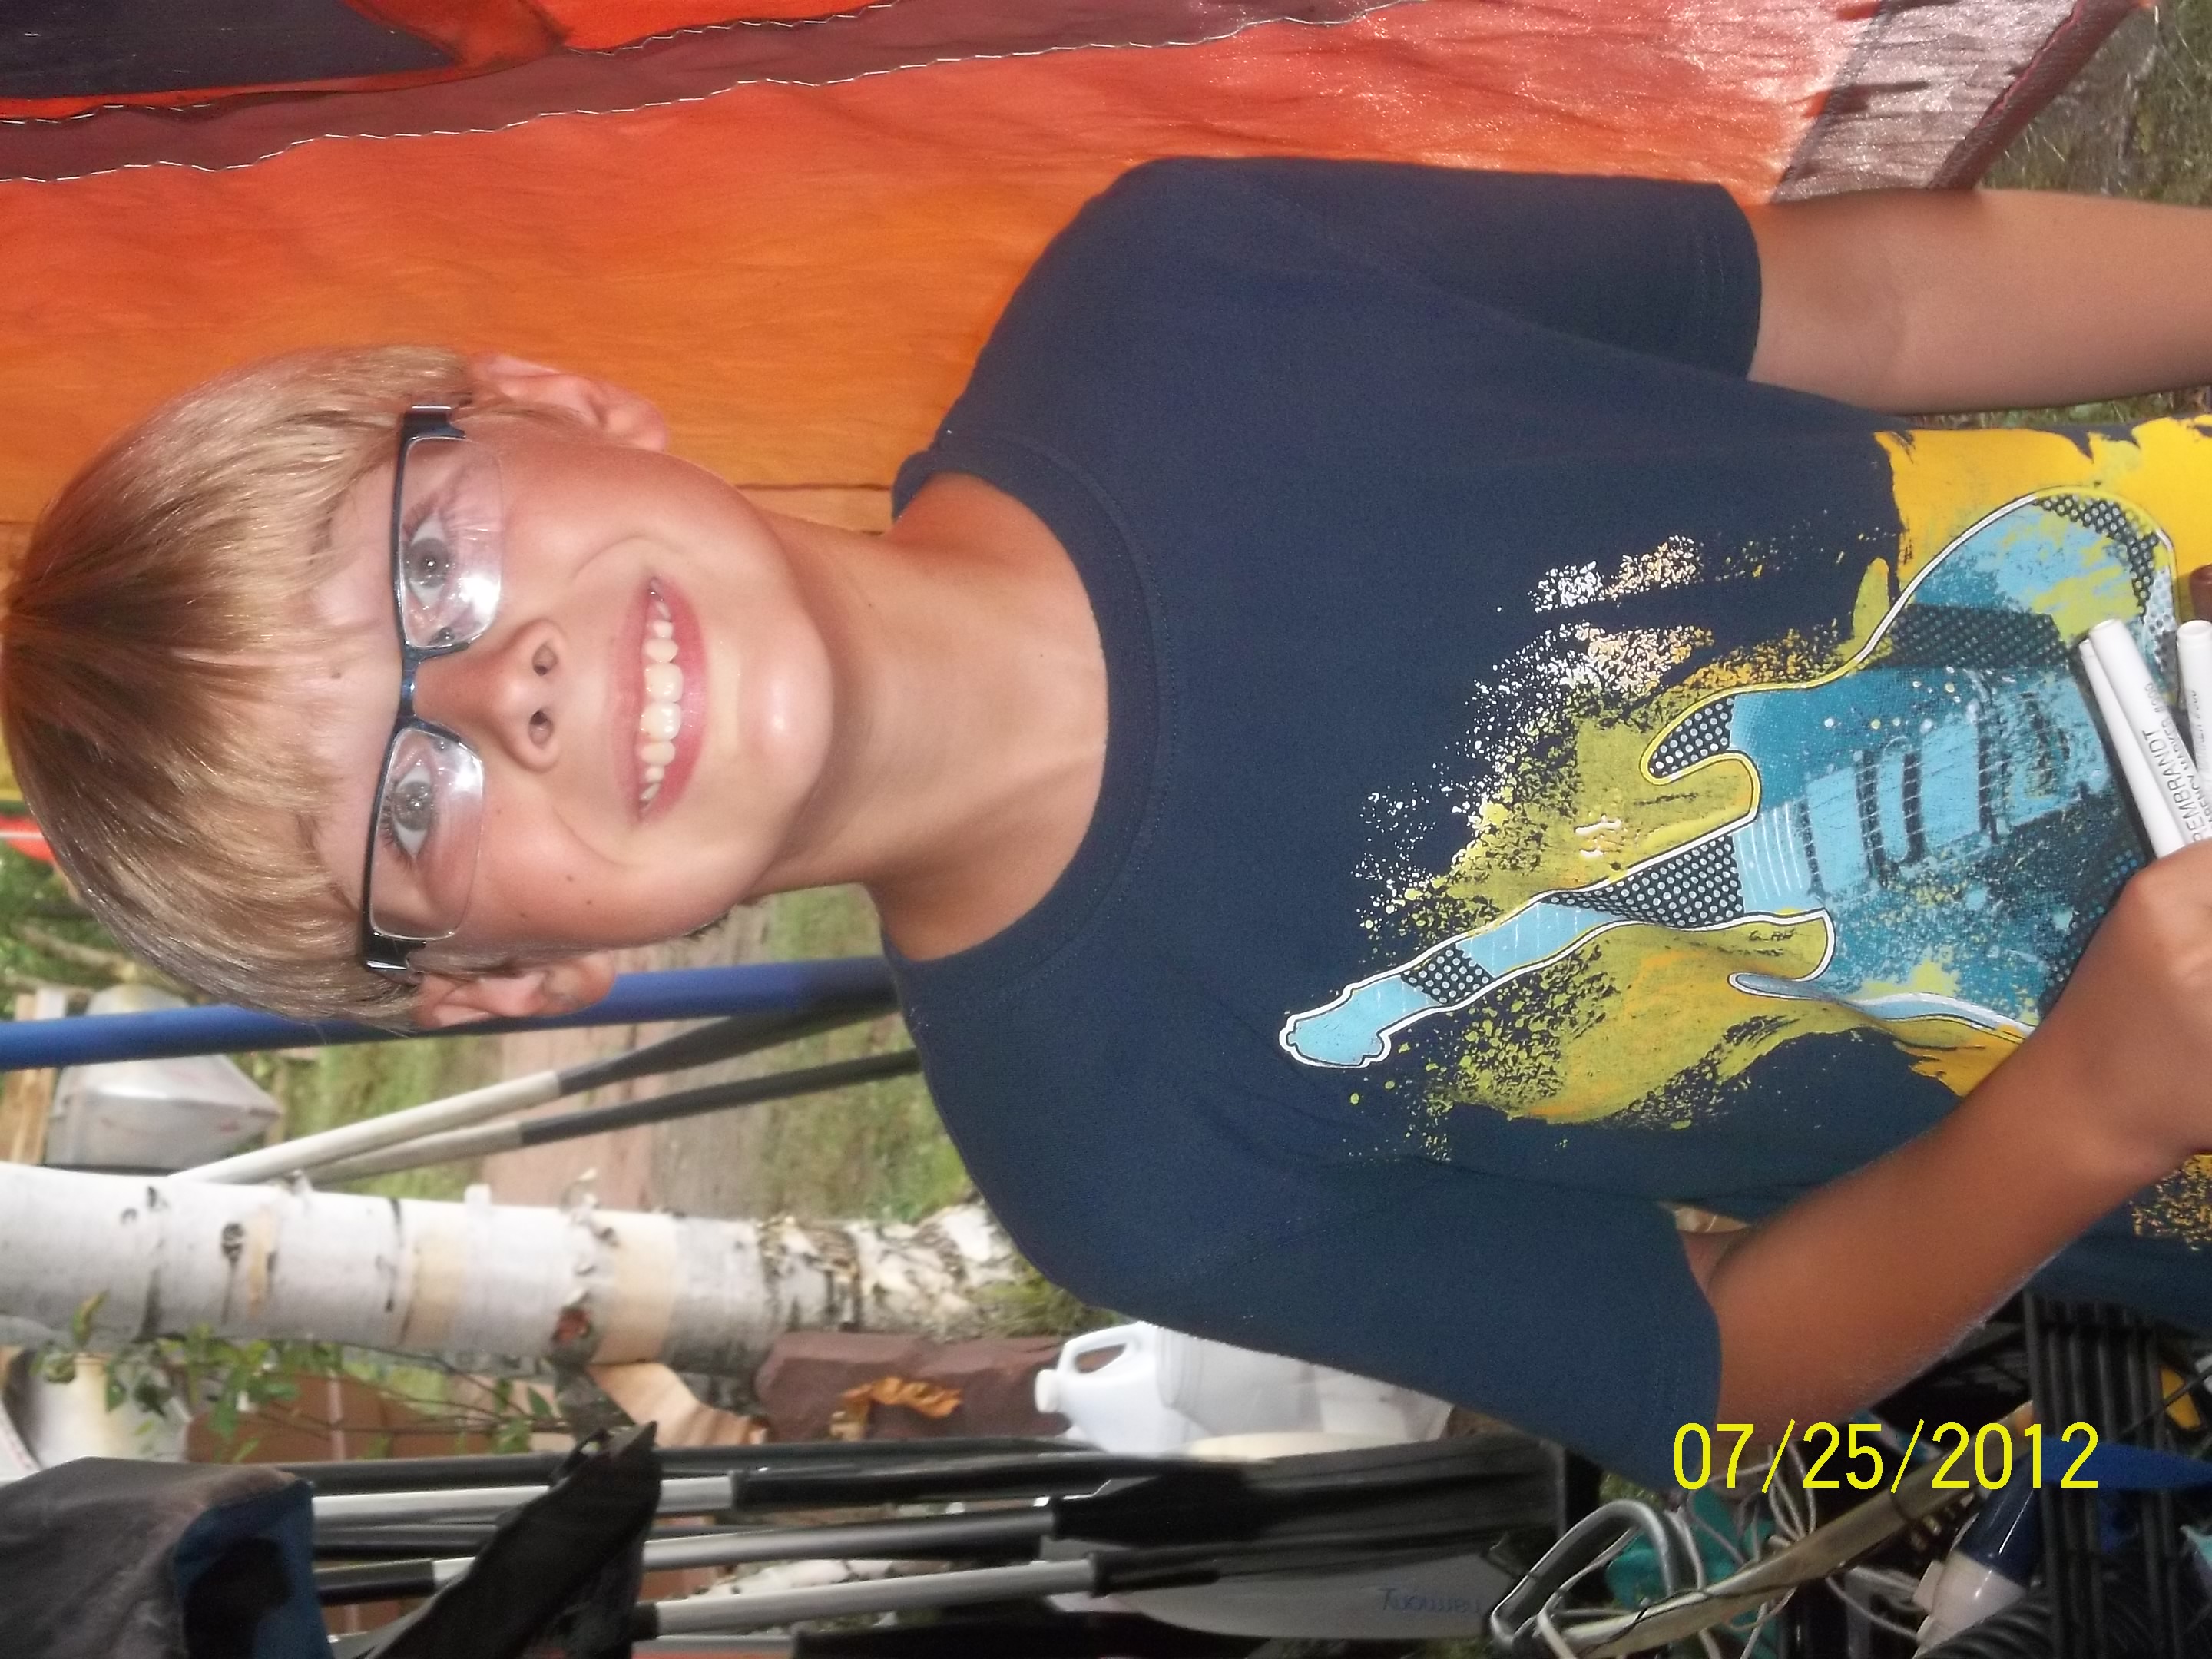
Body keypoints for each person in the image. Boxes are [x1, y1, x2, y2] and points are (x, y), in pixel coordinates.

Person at [11, 158, 2212, 1485]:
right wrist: (2096, 1108)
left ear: (548, 403)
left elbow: (1870, 296)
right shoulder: (1125, 1169)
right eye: (412, 801)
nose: (506, 683)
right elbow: (1721, 1370)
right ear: (511, 980)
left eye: (431, 567)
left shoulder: (1189, 288)